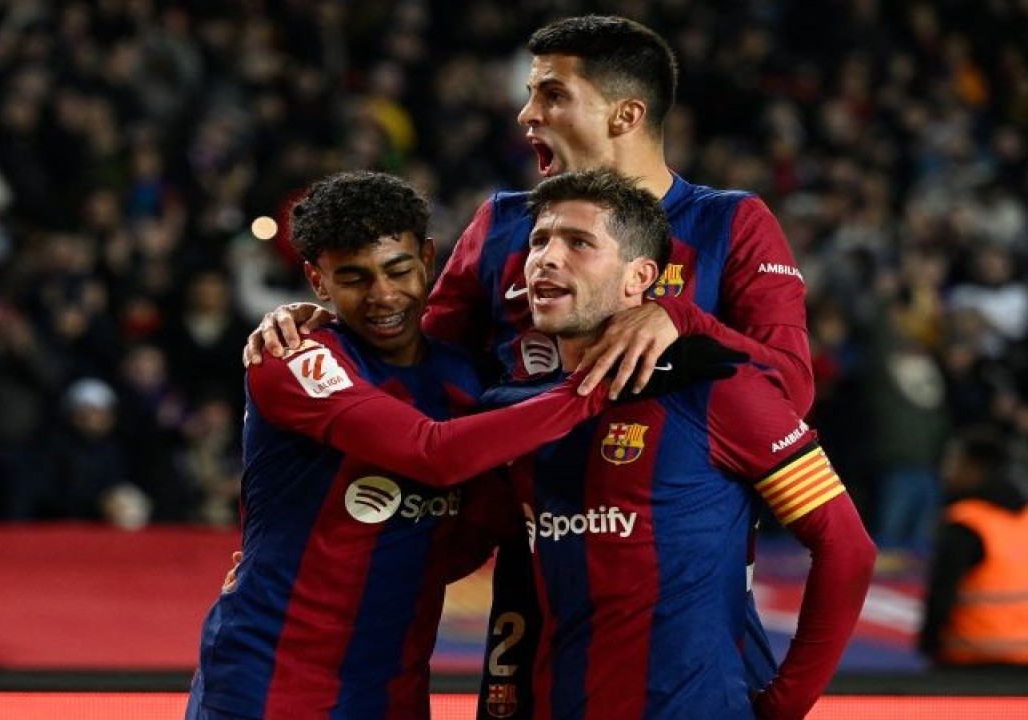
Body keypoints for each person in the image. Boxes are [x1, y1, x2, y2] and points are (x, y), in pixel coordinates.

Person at [243, 15, 815, 717]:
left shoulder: (730, 222)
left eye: (551, 94)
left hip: (683, 566)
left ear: (625, 114)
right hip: (535, 555)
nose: (526, 113)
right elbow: (419, 360)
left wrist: (684, 318)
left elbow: (792, 387)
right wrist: (324, 322)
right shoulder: (504, 223)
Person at [186, 171, 710, 720]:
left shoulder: (466, 377)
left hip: (392, 690)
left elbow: (480, 522)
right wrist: (600, 383)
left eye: (398, 270)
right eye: (353, 278)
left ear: (429, 260)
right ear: (318, 283)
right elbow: (432, 454)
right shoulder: (292, 359)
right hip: (265, 684)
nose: (383, 295)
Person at [503, 167, 873, 718]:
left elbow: (847, 548)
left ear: (639, 277)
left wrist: (784, 704)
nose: (546, 259)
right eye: (539, 240)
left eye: (578, 242)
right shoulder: (519, 410)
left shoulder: (722, 391)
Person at [917, 426, 1028, 670]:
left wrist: (928, 645)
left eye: (954, 462)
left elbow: (941, 594)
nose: (947, 472)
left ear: (973, 467)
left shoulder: (966, 523)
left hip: (970, 663)